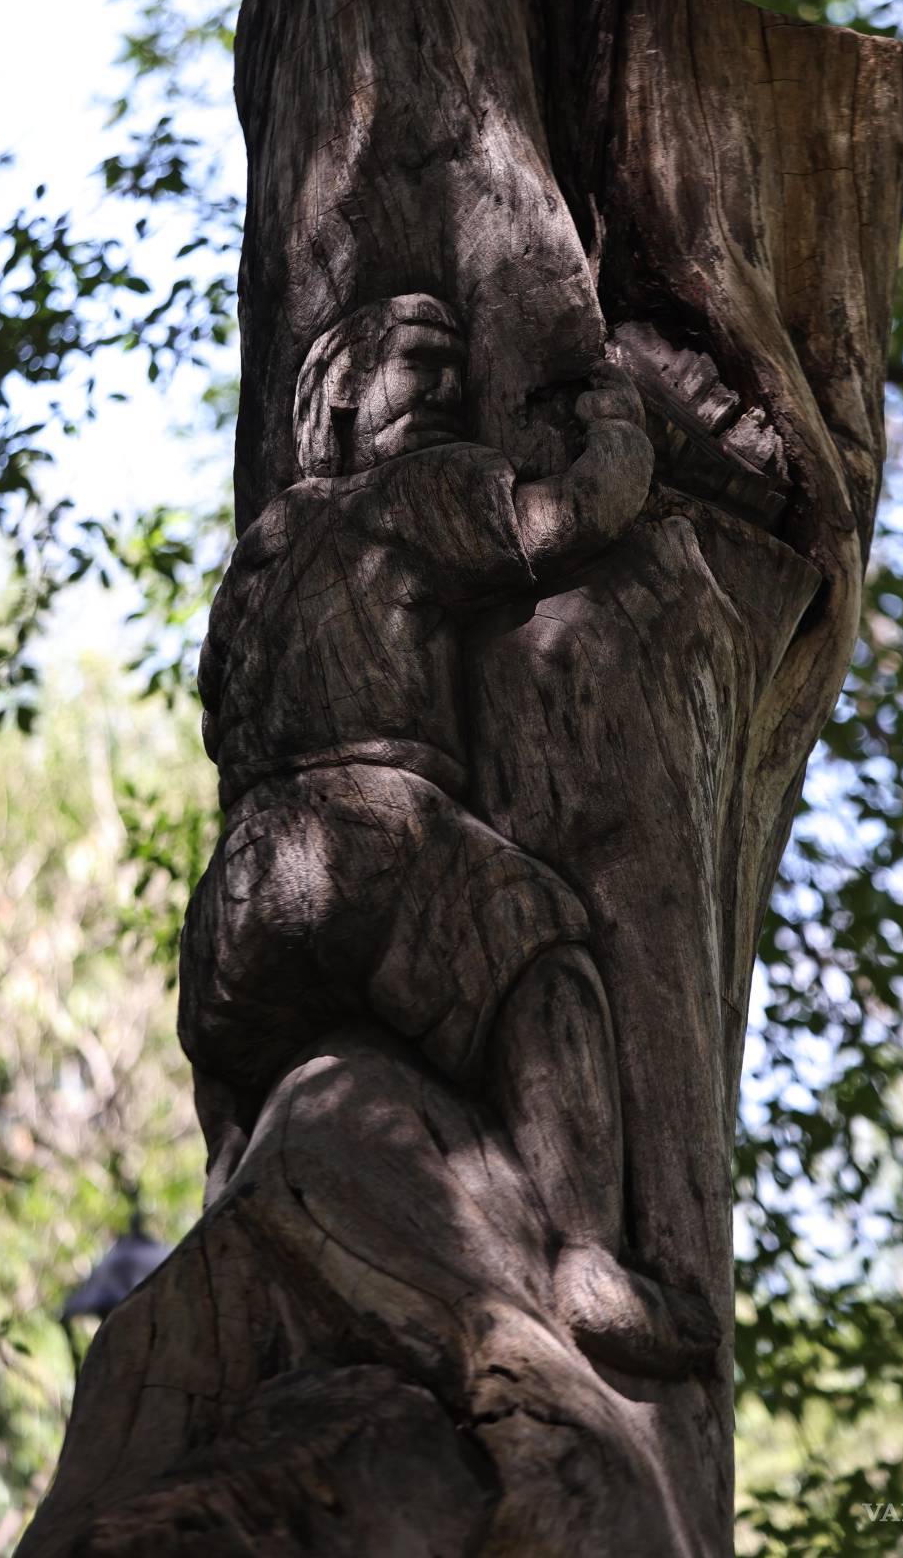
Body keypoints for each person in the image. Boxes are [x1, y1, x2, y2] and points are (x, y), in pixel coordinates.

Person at [179, 292, 718, 1375]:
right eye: (417, 365)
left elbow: (213, 704)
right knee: (544, 951)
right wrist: (618, 432)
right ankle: (589, 1259)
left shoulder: (259, 552)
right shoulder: (406, 496)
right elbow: (568, 517)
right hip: (370, 828)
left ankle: (221, 1232)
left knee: (233, 1088)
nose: (447, 391)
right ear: (336, 397)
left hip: (236, 895)